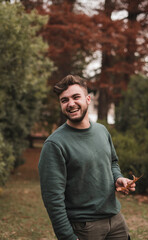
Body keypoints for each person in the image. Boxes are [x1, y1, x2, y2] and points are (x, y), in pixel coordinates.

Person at [38, 75, 135, 240]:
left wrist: (118, 178)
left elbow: (112, 162)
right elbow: (53, 199)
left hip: (115, 219)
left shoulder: (102, 131)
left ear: (88, 99)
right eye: (64, 100)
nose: (71, 103)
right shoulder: (54, 144)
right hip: (84, 227)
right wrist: (67, 236)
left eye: (76, 97)